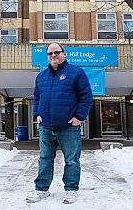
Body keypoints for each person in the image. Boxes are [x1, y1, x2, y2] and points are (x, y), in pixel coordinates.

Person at [26, 42, 93, 204]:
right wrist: (36, 114)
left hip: (68, 127)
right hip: (46, 127)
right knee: (44, 158)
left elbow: (86, 97)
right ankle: (41, 189)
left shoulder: (76, 73)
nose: (53, 55)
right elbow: (37, 97)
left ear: (64, 53)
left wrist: (79, 117)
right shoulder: (41, 76)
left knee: (71, 160)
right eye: (50, 53)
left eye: (57, 52)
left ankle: (71, 189)